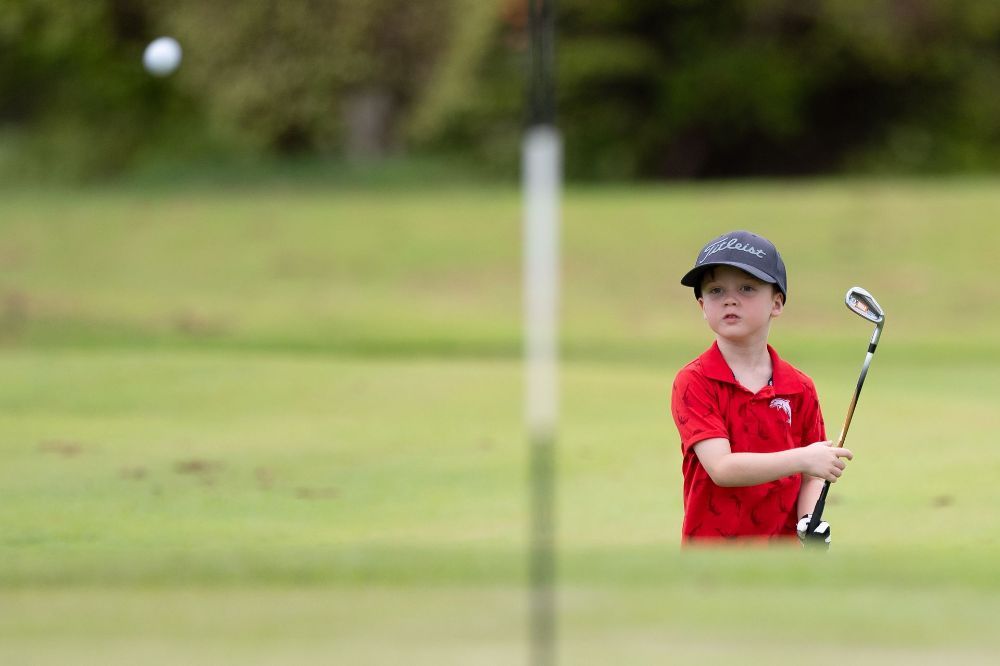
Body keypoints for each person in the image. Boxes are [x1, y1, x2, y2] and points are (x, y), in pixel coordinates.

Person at [670, 230, 852, 546]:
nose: (729, 298)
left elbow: (813, 474)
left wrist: (809, 521)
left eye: (747, 288)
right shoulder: (695, 381)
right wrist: (804, 459)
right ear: (702, 305)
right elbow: (722, 468)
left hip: (784, 557)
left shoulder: (799, 387)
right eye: (715, 290)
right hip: (713, 557)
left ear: (776, 303)